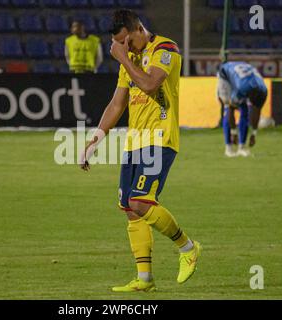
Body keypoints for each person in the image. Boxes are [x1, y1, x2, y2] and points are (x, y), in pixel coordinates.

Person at [79, 9, 201, 292]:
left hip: (160, 139)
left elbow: (149, 84)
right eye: (119, 45)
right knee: (130, 209)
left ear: (138, 29)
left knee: (141, 201)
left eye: (127, 42)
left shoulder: (165, 49)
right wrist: (94, 141)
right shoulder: (129, 58)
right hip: (135, 142)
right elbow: (117, 104)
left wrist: (122, 58)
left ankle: (188, 247)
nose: (125, 49)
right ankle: (144, 279)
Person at [217, 61, 268, 157]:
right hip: (225, 75)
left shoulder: (263, 91)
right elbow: (231, 109)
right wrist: (234, 132)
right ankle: (228, 148)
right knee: (228, 107)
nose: (251, 103)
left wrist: (254, 133)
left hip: (242, 76)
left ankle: (242, 147)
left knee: (244, 110)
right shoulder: (242, 88)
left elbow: (257, 110)